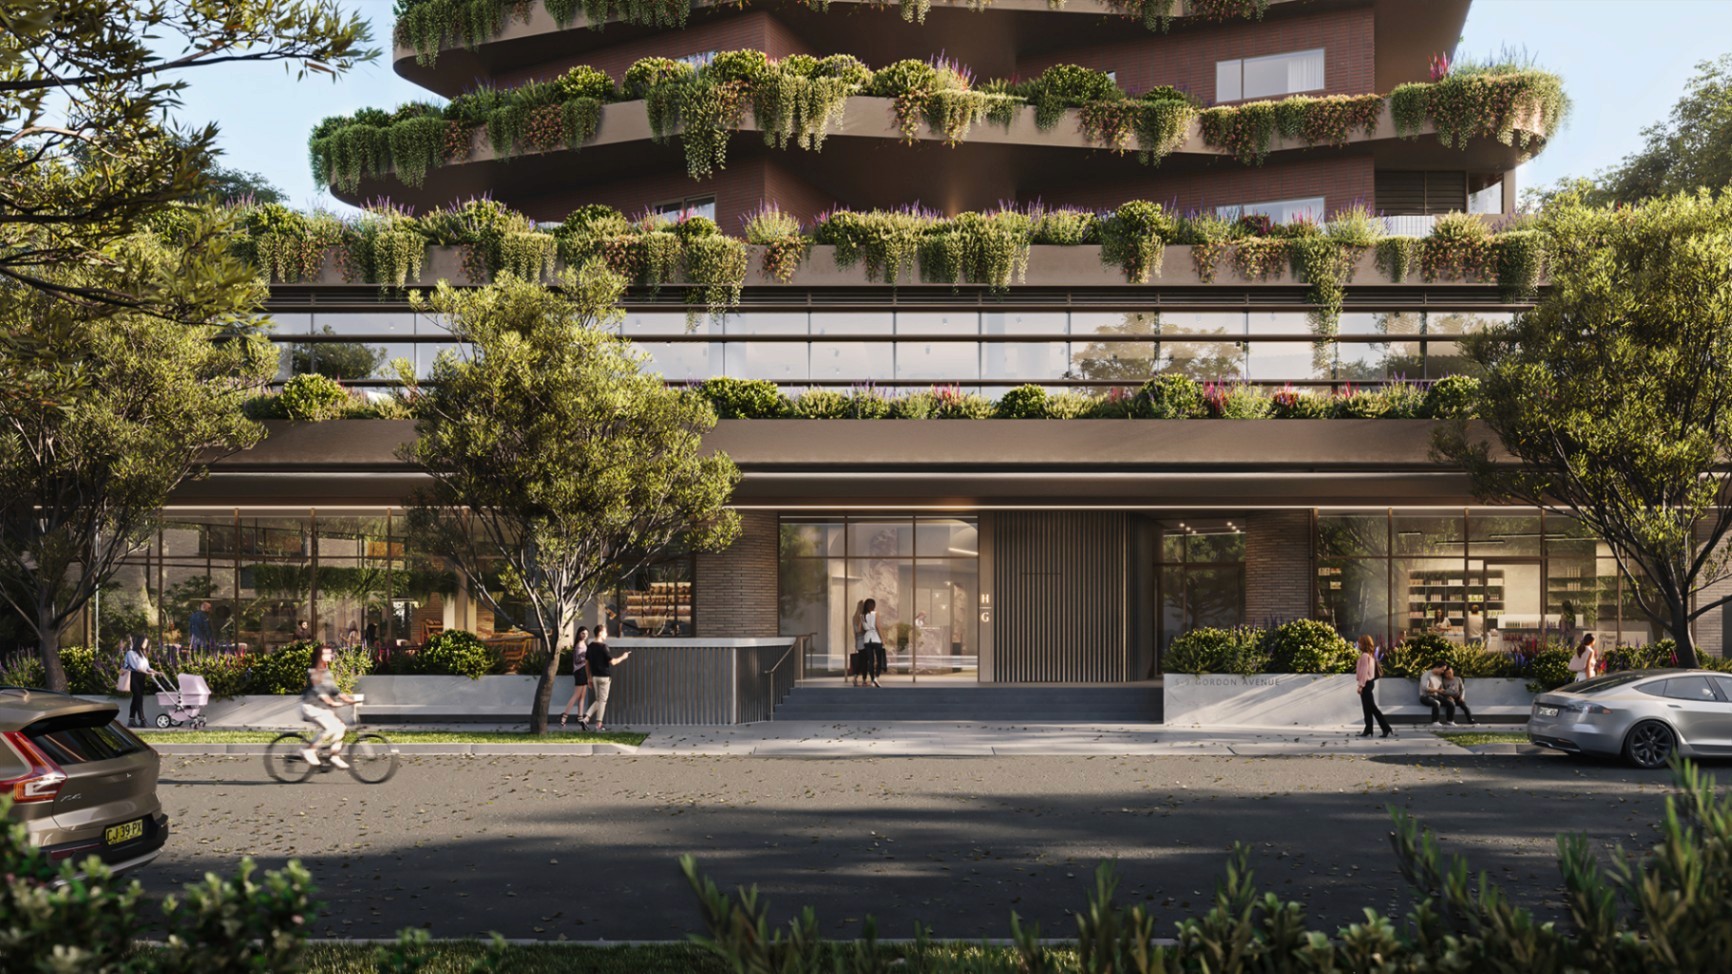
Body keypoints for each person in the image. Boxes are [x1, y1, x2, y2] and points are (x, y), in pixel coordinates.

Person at [301, 645, 357, 768]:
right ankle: (309, 750)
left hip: (322, 709)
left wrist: (350, 700)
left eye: (330, 653)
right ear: (319, 656)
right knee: (330, 728)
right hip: (310, 706)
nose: (330, 655)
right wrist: (331, 702)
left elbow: (336, 691)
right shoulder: (314, 671)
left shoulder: (327, 672)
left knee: (341, 728)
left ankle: (334, 755)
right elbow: (320, 691)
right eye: (326, 653)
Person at [580, 624, 631, 731]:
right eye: (605, 632)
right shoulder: (603, 647)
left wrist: (588, 677)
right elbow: (613, 662)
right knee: (602, 701)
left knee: (598, 700)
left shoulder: (590, 647)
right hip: (604, 677)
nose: (606, 634)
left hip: (594, 677)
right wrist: (624, 656)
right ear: (600, 632)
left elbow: (587, 663)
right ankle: (596, 723)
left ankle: (587, 719)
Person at [1355, 634, 1393, 738]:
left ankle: (1386, 728)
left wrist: (1360, 685)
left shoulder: (1364, 656)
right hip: (1370, 683)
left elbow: (1363, 672)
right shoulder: (1371, 656)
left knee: (1372, 708)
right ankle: (1368, 729)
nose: (1358, 644)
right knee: (1367, 708)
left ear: (1364, 644)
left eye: (1360, 642)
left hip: (1366, 684)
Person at [557, 626, 592, 727]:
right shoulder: (579, 645)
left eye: (586, 633)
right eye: (582, 633)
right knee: (576, 695)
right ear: (579, 634)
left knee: (582, 696)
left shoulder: (583, 644)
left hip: (584, 671)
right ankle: (564, 716)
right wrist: (586, 656)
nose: (584, 635)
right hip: (580, 671)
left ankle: (580, 718)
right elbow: (577, 660)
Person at [121, 636, 153, 728]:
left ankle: (131, 720)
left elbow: (147, 668)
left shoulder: (143, 654)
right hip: (133, 677)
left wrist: (157, 672)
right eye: (145, 642)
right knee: (139, 697)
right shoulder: (130, 653)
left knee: (136, 698)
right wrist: (147, 672)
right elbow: (136, 668)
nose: (146, 644)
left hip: (141, 678)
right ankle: (142, 719)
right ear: (140, 642)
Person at [861, 598, 886, 687]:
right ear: (873, 605)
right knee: (879, 659)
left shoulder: (862, 615)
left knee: (870, 661)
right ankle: (876, 678)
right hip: (876, 637)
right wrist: (883, 638)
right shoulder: (875, 614)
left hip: (867, 639)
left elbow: (862, 629)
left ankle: (872, 680)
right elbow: (878, 626)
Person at [849, 599, 866, 687]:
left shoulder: (854, 617)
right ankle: (863, 679)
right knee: (864, 661)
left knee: (860, 660)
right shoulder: (862, 617)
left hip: (859, 641)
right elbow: (861, 630)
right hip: (865, 641)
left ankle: (856, 676)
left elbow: (855, 632)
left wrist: (856, 642)